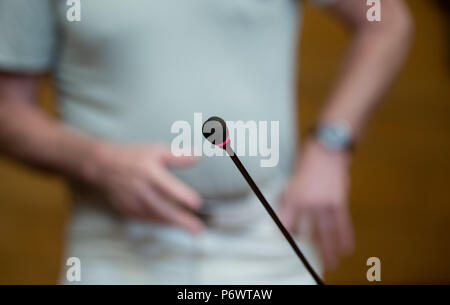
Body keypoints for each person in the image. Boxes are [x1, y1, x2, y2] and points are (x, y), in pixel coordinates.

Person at [0, 0, 412, 284]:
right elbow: (8, 110)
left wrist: (331, 145)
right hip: (116, 247)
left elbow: (385, 21)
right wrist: (97, 160)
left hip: (266, 237)